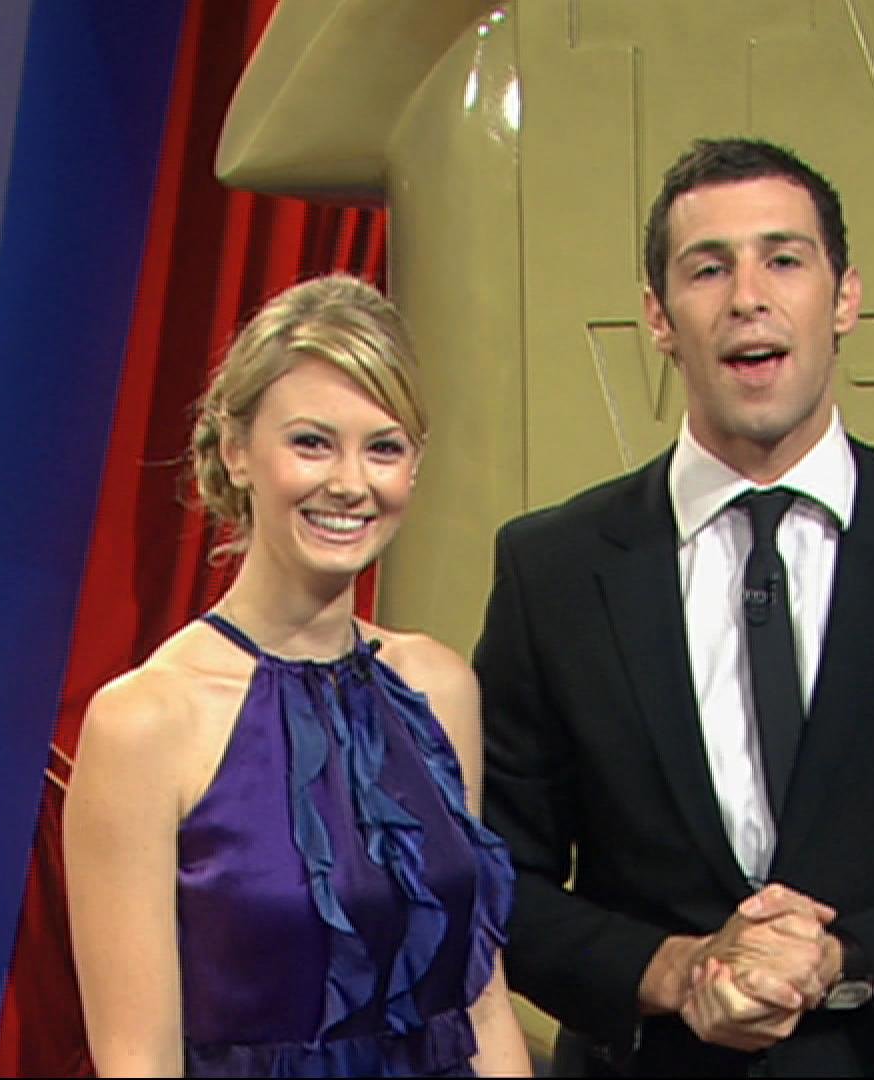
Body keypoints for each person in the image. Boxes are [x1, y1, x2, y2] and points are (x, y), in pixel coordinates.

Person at [476, 138, 874, 1076]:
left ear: (843, 297)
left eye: (783, 259)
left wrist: (844, 962)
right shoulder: (554, 569)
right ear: (659, 317)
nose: (747, 298)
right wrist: (673, 970)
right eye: (708, 269)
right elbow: (492, 882)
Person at [65, 274, 532, 1078]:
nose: (350, 483)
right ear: (237, 450)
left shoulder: (439, 688)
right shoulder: (145, 722)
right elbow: (138, 1060)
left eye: (383, 447)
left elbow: (480, 1004)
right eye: (312, 443)